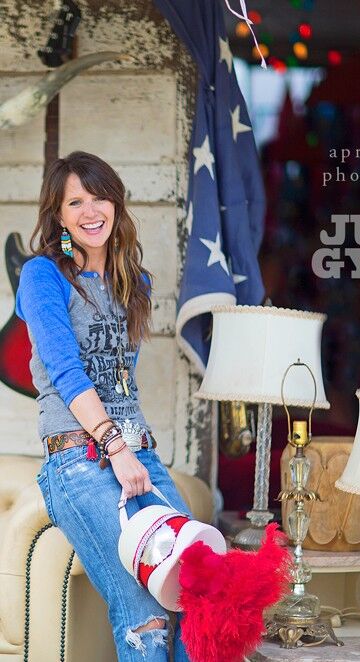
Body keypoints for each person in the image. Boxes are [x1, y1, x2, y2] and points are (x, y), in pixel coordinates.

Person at [16, 150, 192, 662]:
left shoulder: (135, 283)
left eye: (99, 197)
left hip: (138, 453)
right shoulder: (43, 276)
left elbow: (123, 383)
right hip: (79, 459)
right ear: (59, 215)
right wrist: (115, 447)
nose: (90, 211)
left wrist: (130, 451)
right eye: (76, 202)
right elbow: (67, 374)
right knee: (145, 602)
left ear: (115, 204)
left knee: (195, 585)